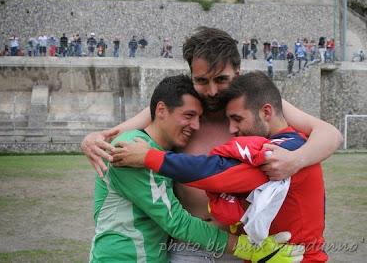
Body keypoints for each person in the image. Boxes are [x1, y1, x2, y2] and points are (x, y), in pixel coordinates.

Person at [81, 27, 342, 262]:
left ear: (237, 73)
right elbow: (118, 134)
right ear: (192, 76)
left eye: (221, 79)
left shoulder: (254, 105)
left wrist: (295, 160)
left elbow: (330, 134)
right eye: (202, 81)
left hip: (238, 242)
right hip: (187, 244)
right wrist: (92, 138)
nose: (213, 91)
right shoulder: (183, 108)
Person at [112, 71, 328, 262]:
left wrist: (150, 157)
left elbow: (219, 172)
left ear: (266, 112)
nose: (232, 129)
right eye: (202, 79)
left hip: (294, 257)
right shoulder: (292, 144)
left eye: (237, 119)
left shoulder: (286, 150)